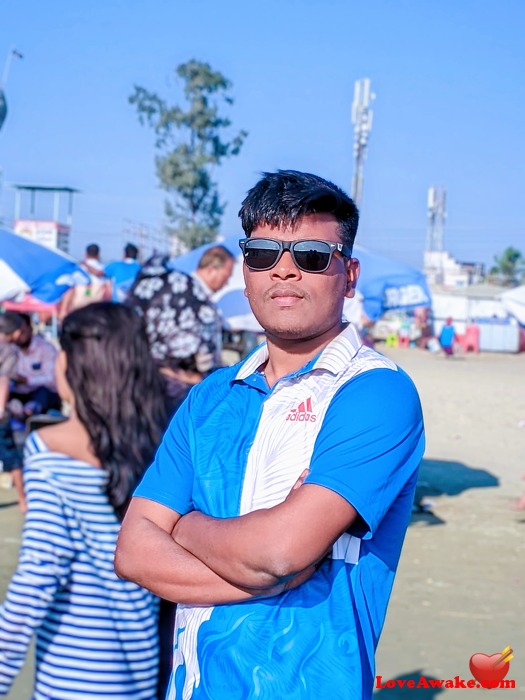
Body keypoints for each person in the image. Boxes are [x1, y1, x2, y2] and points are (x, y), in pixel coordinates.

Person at [115, 170, 425, 699]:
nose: (283, 270)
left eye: (311, 255)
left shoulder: (377, 393)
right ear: (245, 271)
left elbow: (280, 552)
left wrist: (184, 526)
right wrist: (266, 571)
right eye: (263, 253)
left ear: (349, 275)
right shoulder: (210, 396)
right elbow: (133, 552)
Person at [0, 302, 169, 699]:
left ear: (73, 364)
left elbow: (38, 576)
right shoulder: (159, 446)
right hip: (142, 672)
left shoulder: (49, 450)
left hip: (72, 678)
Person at [126, 246, 234, 411]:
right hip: (173, 391)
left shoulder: (175, 285)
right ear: (212, 269)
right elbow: (196, 352)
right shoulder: (190, 294)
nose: (227, 283)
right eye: (226, 276)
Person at [4, 312, 61, 418]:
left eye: (22, 332)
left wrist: (27, 380)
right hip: (17, 394)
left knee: (43, 394)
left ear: (30, 328)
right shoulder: (9, 349)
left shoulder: (46, 349)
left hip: (41, 395)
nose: (18, 336)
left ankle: (30, 410)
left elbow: (53, 379)